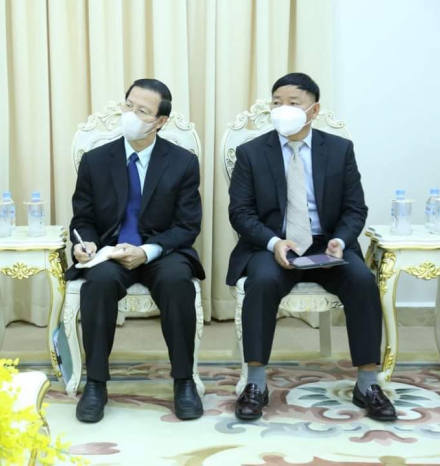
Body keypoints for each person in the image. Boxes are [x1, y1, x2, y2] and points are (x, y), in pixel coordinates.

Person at [227, 72, 396, 421]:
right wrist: (274, 242)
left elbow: (355, 208)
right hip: (272, 244)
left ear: (314, 110)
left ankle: (368, 384)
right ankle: (255, 383)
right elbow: (240, 212)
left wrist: (341, 240)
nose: (282, 110)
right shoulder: (251, 152)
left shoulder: (338, 150)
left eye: (293, 103)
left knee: (362, 280)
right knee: (262, 281)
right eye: (277, 103)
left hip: (326, 244)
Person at [67, 78, 205, 423]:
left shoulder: (182, 162)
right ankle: (96, 383)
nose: (131, 115)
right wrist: (85, 243)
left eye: (143, 111)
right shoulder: (96, 160)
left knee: (177, 282)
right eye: (129, 106)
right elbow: (82, 219)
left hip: (161, 251)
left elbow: (187, 226)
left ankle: (184, 381)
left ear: (160, 121)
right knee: (98, 283)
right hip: (110, 251)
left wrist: (147, 251)